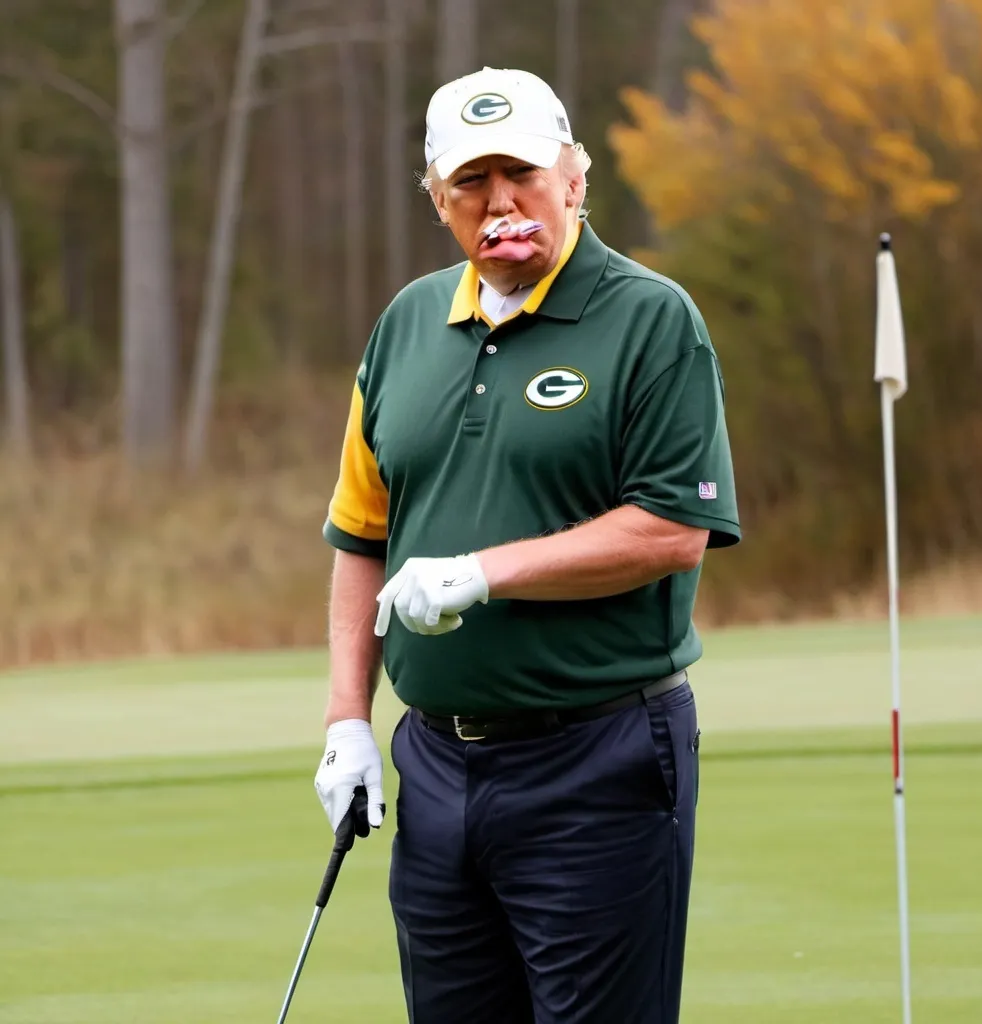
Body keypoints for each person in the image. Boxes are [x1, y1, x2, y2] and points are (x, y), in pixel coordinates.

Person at [313, 66, 741, 1024]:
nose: (500, 200)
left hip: (600, 756)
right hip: (434, 766)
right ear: (439, 200)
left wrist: (482, 575)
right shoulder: (407, 326)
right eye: (471, 181)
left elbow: (673, 530)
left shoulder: (652, 320)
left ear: (574, 179)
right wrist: (348, 722)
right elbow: (361, 535)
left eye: (523, 172)